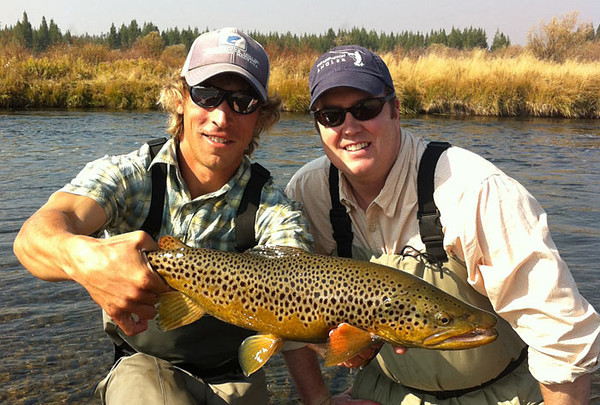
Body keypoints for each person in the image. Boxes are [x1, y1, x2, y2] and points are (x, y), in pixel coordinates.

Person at [284, 45, 600, 404]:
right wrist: (319, 398)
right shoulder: (308, 192)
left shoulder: (473, 190)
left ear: (395, 109)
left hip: (498, 393)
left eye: (366, 109)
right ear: (317, 125)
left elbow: (560, 336)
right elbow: (280, 308)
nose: (350, 127)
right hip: (382, 392)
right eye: (331, 116)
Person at [13, 27, 313, 405]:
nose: (221, 117)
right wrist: (83, 260)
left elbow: (299, 274)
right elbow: (33, 237)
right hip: (144, 367)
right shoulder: (129, 175)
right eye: (207, 95)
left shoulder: (275, 207)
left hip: (235, 374)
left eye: (243, 101)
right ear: (180, 100)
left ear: (261, 116)